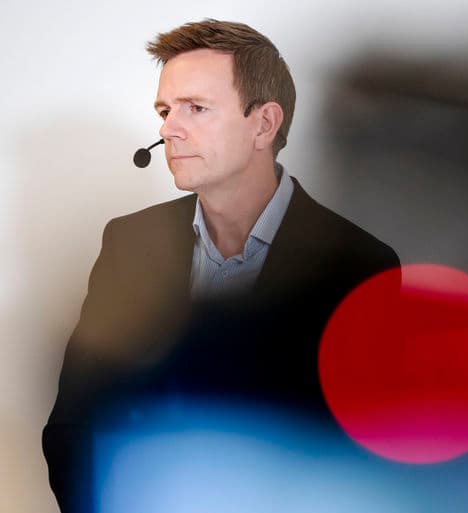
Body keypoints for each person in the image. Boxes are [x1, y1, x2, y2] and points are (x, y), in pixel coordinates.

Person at [42, 19, 399, 513]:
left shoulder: (360, 264)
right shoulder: (128, 242)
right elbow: (73, 423)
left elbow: (366, 458)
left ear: (264, 124)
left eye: (196, 107)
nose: (168, 129)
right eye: (165, 110)